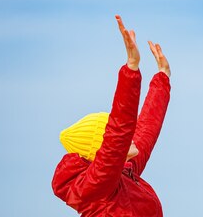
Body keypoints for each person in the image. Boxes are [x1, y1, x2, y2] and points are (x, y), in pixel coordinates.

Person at [51, 15, 171, 217]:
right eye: (122, 136)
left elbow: (146, 130)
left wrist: (162, 79)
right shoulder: (99, 184)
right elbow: (119, 131)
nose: (130, 134)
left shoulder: (123, 175)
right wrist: (131, 69)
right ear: (104, 148)